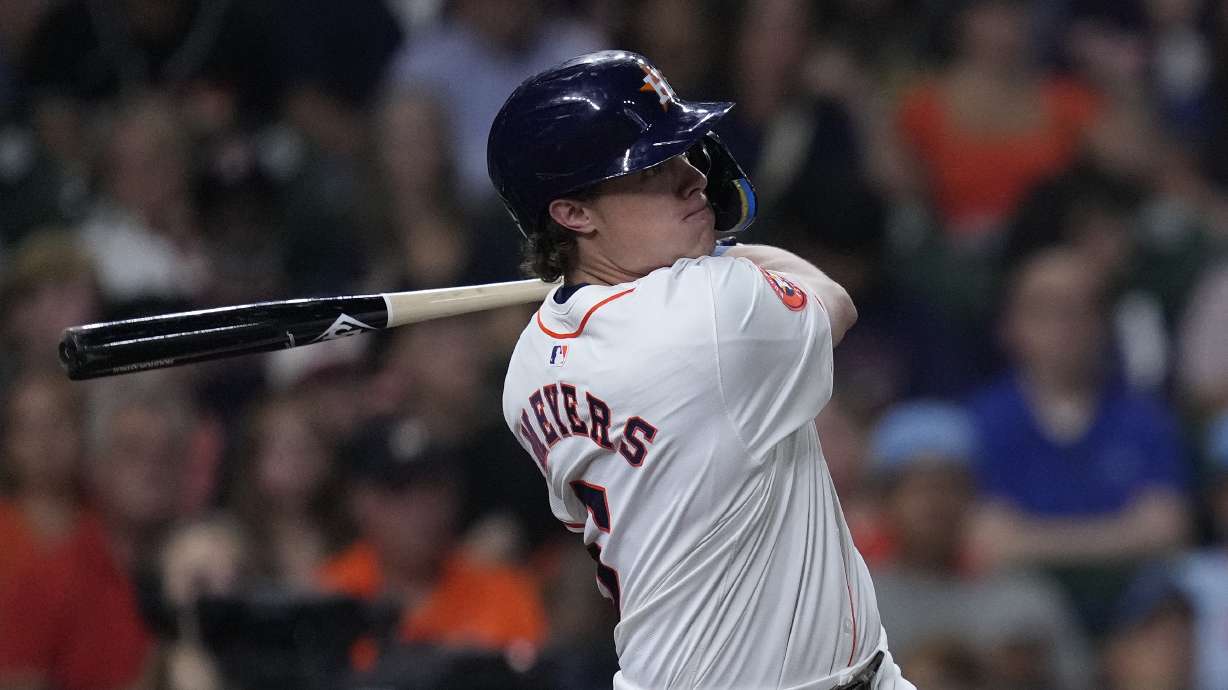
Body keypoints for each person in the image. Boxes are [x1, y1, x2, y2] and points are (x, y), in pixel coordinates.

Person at [490, 51, 913, 689]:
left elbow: (585, 517)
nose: (693, 177)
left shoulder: (525, 371)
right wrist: (725, 245)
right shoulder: (708, 308)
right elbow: (834, 301)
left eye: (684, 151)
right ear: (573, 213)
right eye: (652, 168)